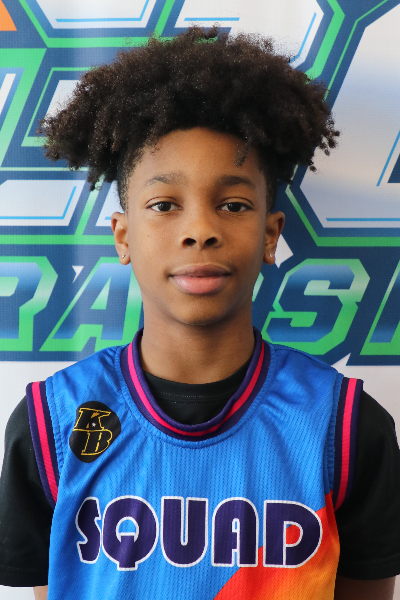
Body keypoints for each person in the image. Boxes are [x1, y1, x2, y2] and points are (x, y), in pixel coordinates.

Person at [0, 27, 399, 600]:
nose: (200, 230)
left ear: (270, 234)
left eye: (232, 204)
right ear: (123, 236)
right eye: (165, 204)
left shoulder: (346, 428)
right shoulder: (52, 424)